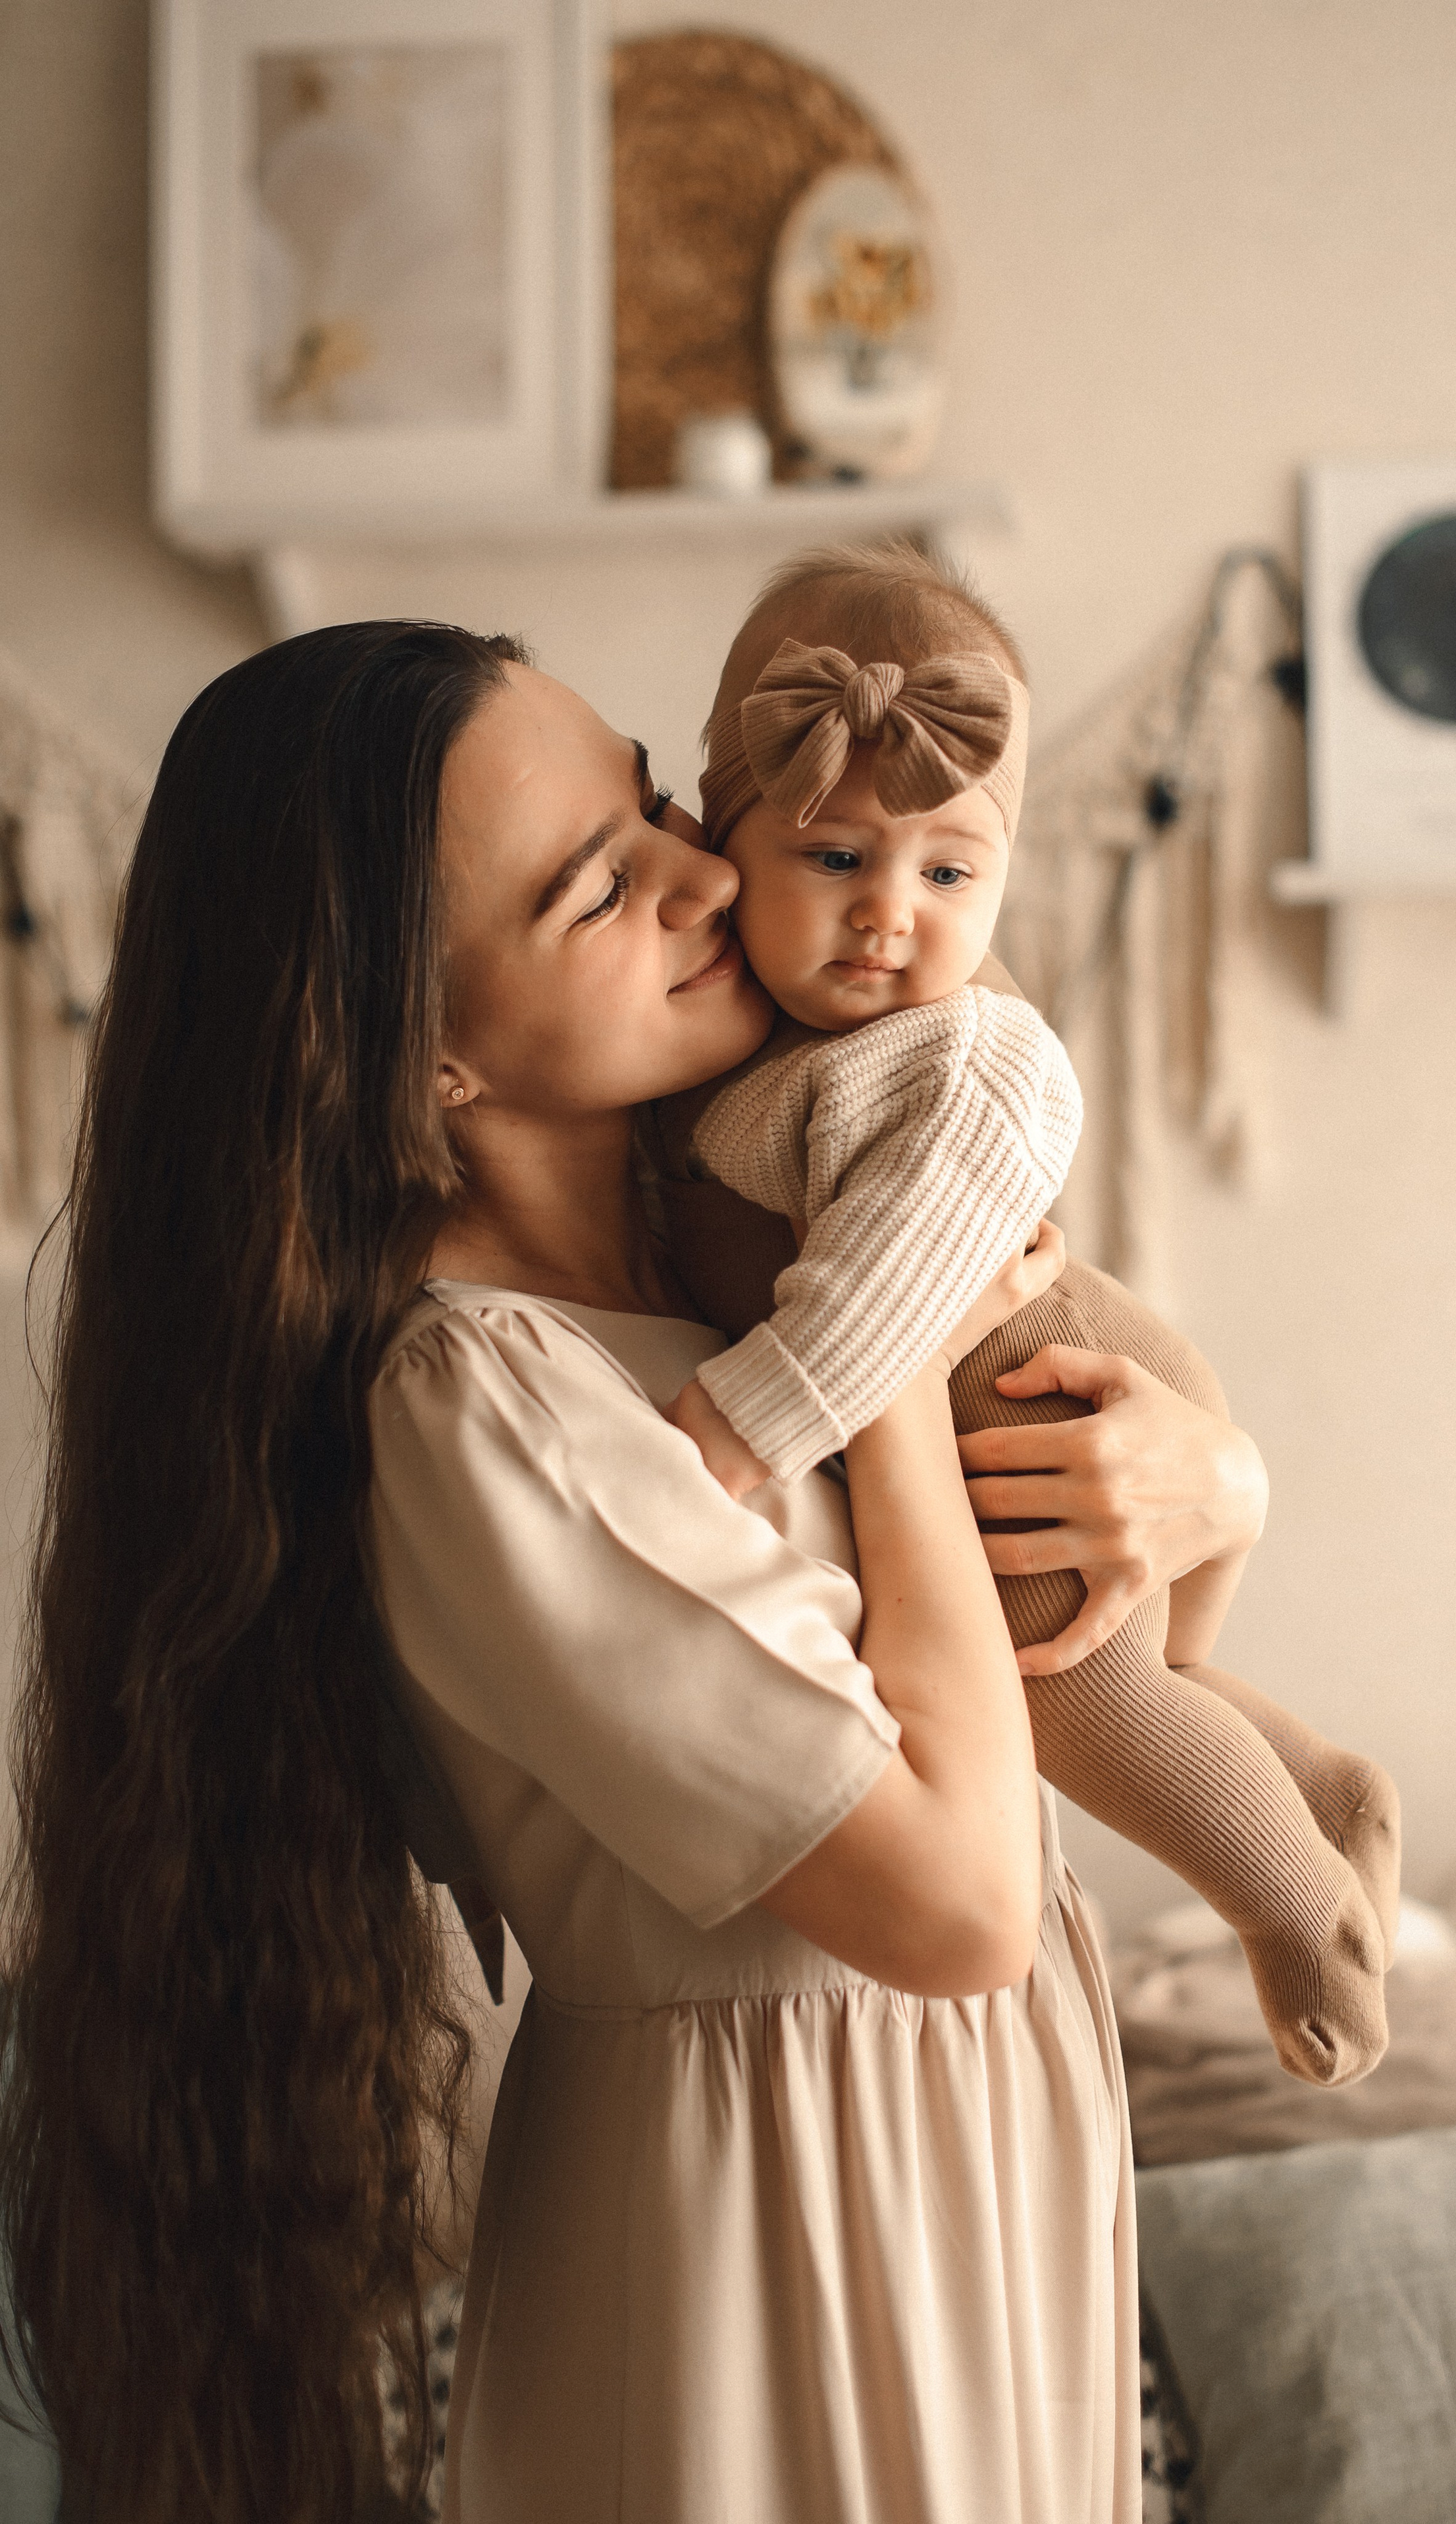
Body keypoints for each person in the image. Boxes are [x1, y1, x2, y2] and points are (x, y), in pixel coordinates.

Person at [0, 622, 1267, 2524]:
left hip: (976, 2176)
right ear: (414, 1049)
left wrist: (1213, 1482)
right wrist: (892, 1348)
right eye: (600, 886)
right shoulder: (482, 1401)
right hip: (773, 2245)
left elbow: (1065, 1681)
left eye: (658, 805)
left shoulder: (727, 1275)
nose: (707, 874)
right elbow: (952, 1900)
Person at [646, 542, 1397, 2088]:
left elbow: (891, 1281)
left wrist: (741, 1427)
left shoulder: (963, 1056)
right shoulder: (752, 1049)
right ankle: (1318, 1787)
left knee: (1074, 1700)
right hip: (1044, 1394)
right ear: (723, 842)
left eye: (946, 872)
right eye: (834, 859)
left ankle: (1294, 1910)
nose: (889, 919)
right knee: (1148, 1686)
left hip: (1046, 1397)